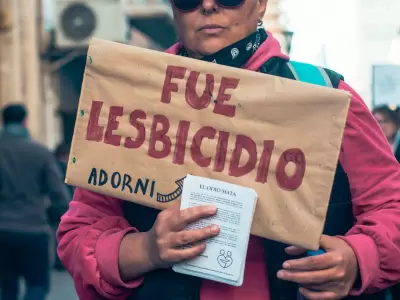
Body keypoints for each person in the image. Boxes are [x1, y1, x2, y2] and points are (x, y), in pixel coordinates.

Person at [57, 1, 400, 299]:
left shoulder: (326, 96)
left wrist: (357, 258)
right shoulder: (131, 100)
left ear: (261, 4)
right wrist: (145, 250)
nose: (208, 5)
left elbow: (391, 206)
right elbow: (79, 234)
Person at [0, 104, 70, 300]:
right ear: (25, 122)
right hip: (34, 228)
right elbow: (59, 194)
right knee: (37, 286)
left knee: (7, 289)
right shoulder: (40, 153)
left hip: (2, 230)